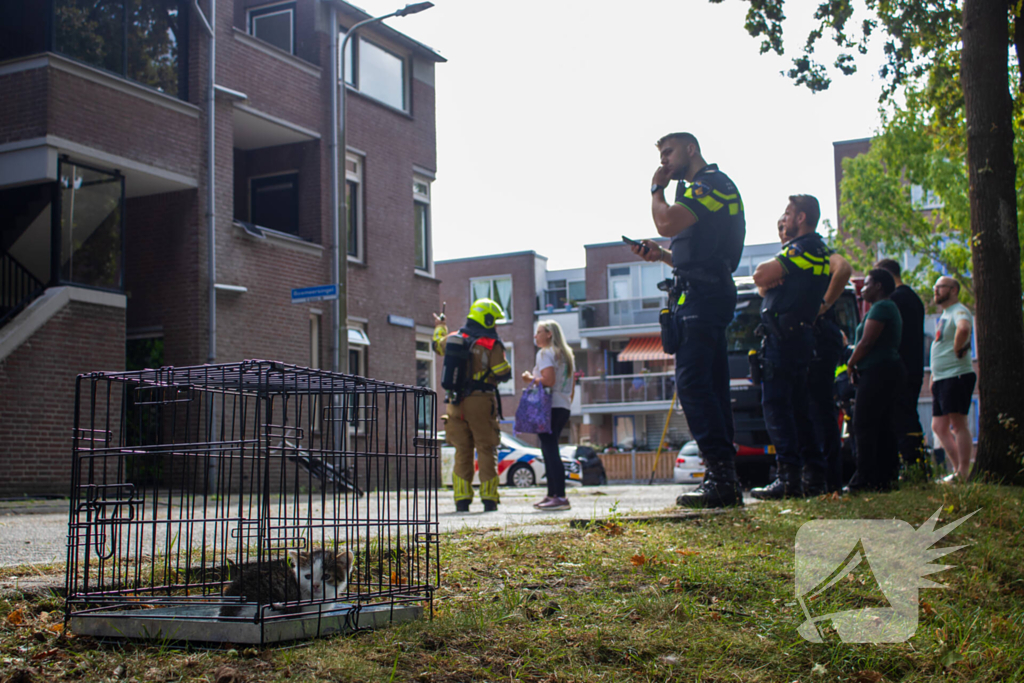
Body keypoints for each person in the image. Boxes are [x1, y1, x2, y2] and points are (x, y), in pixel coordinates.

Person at [632, 132, 746, 508]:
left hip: (704, 295)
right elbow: (695, 248)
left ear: (690, 149)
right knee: (710, 386)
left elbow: (665, 222)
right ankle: (724, 478)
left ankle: (720, 477)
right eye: (661, 155)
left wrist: (655, 188)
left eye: (669, 152)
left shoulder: (710, 184)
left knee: (694, 384)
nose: (664, 160)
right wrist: (663, 257)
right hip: (702, 291)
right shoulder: (704, 190)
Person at [749, 195, 833, 499]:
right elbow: (763, 287)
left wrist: (774, 277)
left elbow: (760, 276)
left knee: (777, 408)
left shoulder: (805, 247)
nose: (784, 219)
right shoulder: (812, 250)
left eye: (788, 213)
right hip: (795, 339)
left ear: (801, 218)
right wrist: (773, 279)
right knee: (799, 410)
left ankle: (789, 478)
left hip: (784, 342)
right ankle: (812, 477)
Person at [432, 299, 512, 512]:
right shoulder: (490, 344)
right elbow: (503, 372)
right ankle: (489, 499)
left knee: (462, 450)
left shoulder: (454, 338)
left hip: (455, 403)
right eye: (493, 320)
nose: (494, 324)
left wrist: (441, 327)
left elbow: (436, 345)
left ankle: (462, 499)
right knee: (486, 449)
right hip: (481, 402)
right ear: (486, 319)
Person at [845, 269, 905, 492]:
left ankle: (865, 478)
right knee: (882, 425)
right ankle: (885, 477)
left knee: (863, 423)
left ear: (879, 286)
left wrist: (851, 363)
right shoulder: (886, 307)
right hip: (886, 371)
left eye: (868, 283)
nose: (863, 288)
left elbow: (867, 342)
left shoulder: (882, 308)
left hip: (879, 372)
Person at [875, 259, 929, 474]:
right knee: (908, 414)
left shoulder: (895, 300)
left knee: (902, 417)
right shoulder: (914, 298)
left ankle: (912, 464)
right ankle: (917, 463)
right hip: (914, 365)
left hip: (902, 367)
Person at [521, 320, 575, 511]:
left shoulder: (545, 353)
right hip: (563, 406)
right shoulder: (567, 355)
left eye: (538, 332)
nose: (535, 336)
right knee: (550, 448)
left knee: (550, 450)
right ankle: (553, 494)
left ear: (549, 334)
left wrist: (530, 379)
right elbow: (572, 386)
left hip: (548, 407)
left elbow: (549, 380)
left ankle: (559, 496)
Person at [929, 276, 976, 481]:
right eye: (935, 287)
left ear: (954, 290)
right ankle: (957, 470)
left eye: (940, 287)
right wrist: (934, 375)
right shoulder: (946, 313)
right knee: (938, 427)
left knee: (958, 425)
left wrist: (958, 348)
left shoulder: (959, 310)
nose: (936, 291)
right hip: (942, 378)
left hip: (956, 376)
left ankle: (963, 472)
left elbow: (964, 328)